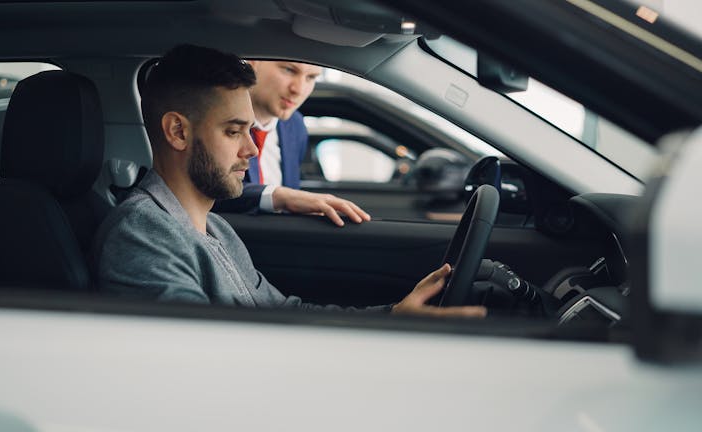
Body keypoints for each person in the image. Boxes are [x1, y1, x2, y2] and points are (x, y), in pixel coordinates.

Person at [92, 44, 485, 318]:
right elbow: (207, 359)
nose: (251, 148)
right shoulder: (141, 236)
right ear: (177, 132)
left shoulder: (216, 229)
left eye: (250, 131)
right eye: (233, 131)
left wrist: (395, 316)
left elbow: (281, 313)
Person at [212, 60, 370, 227]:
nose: (299, 90)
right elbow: (207, 190)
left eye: (311, 77)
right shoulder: (216, 117)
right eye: (289, 70)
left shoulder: (295, 126)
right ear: (253, 63)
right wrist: (279, 196)